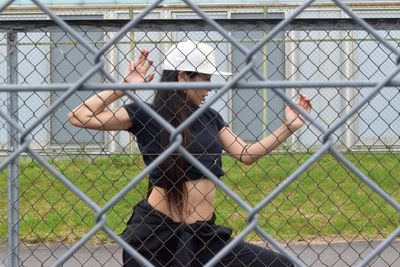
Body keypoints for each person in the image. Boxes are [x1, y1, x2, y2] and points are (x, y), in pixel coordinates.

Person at [68, 40, 311, 267]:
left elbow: (245, 154)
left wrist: (288, 128)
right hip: (156, 236)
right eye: (205, 79)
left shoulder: (209, 117)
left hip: (203, 236)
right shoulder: (145, 114)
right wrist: (122, 88)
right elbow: (79, 116)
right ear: (183, 77)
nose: (208, 89)